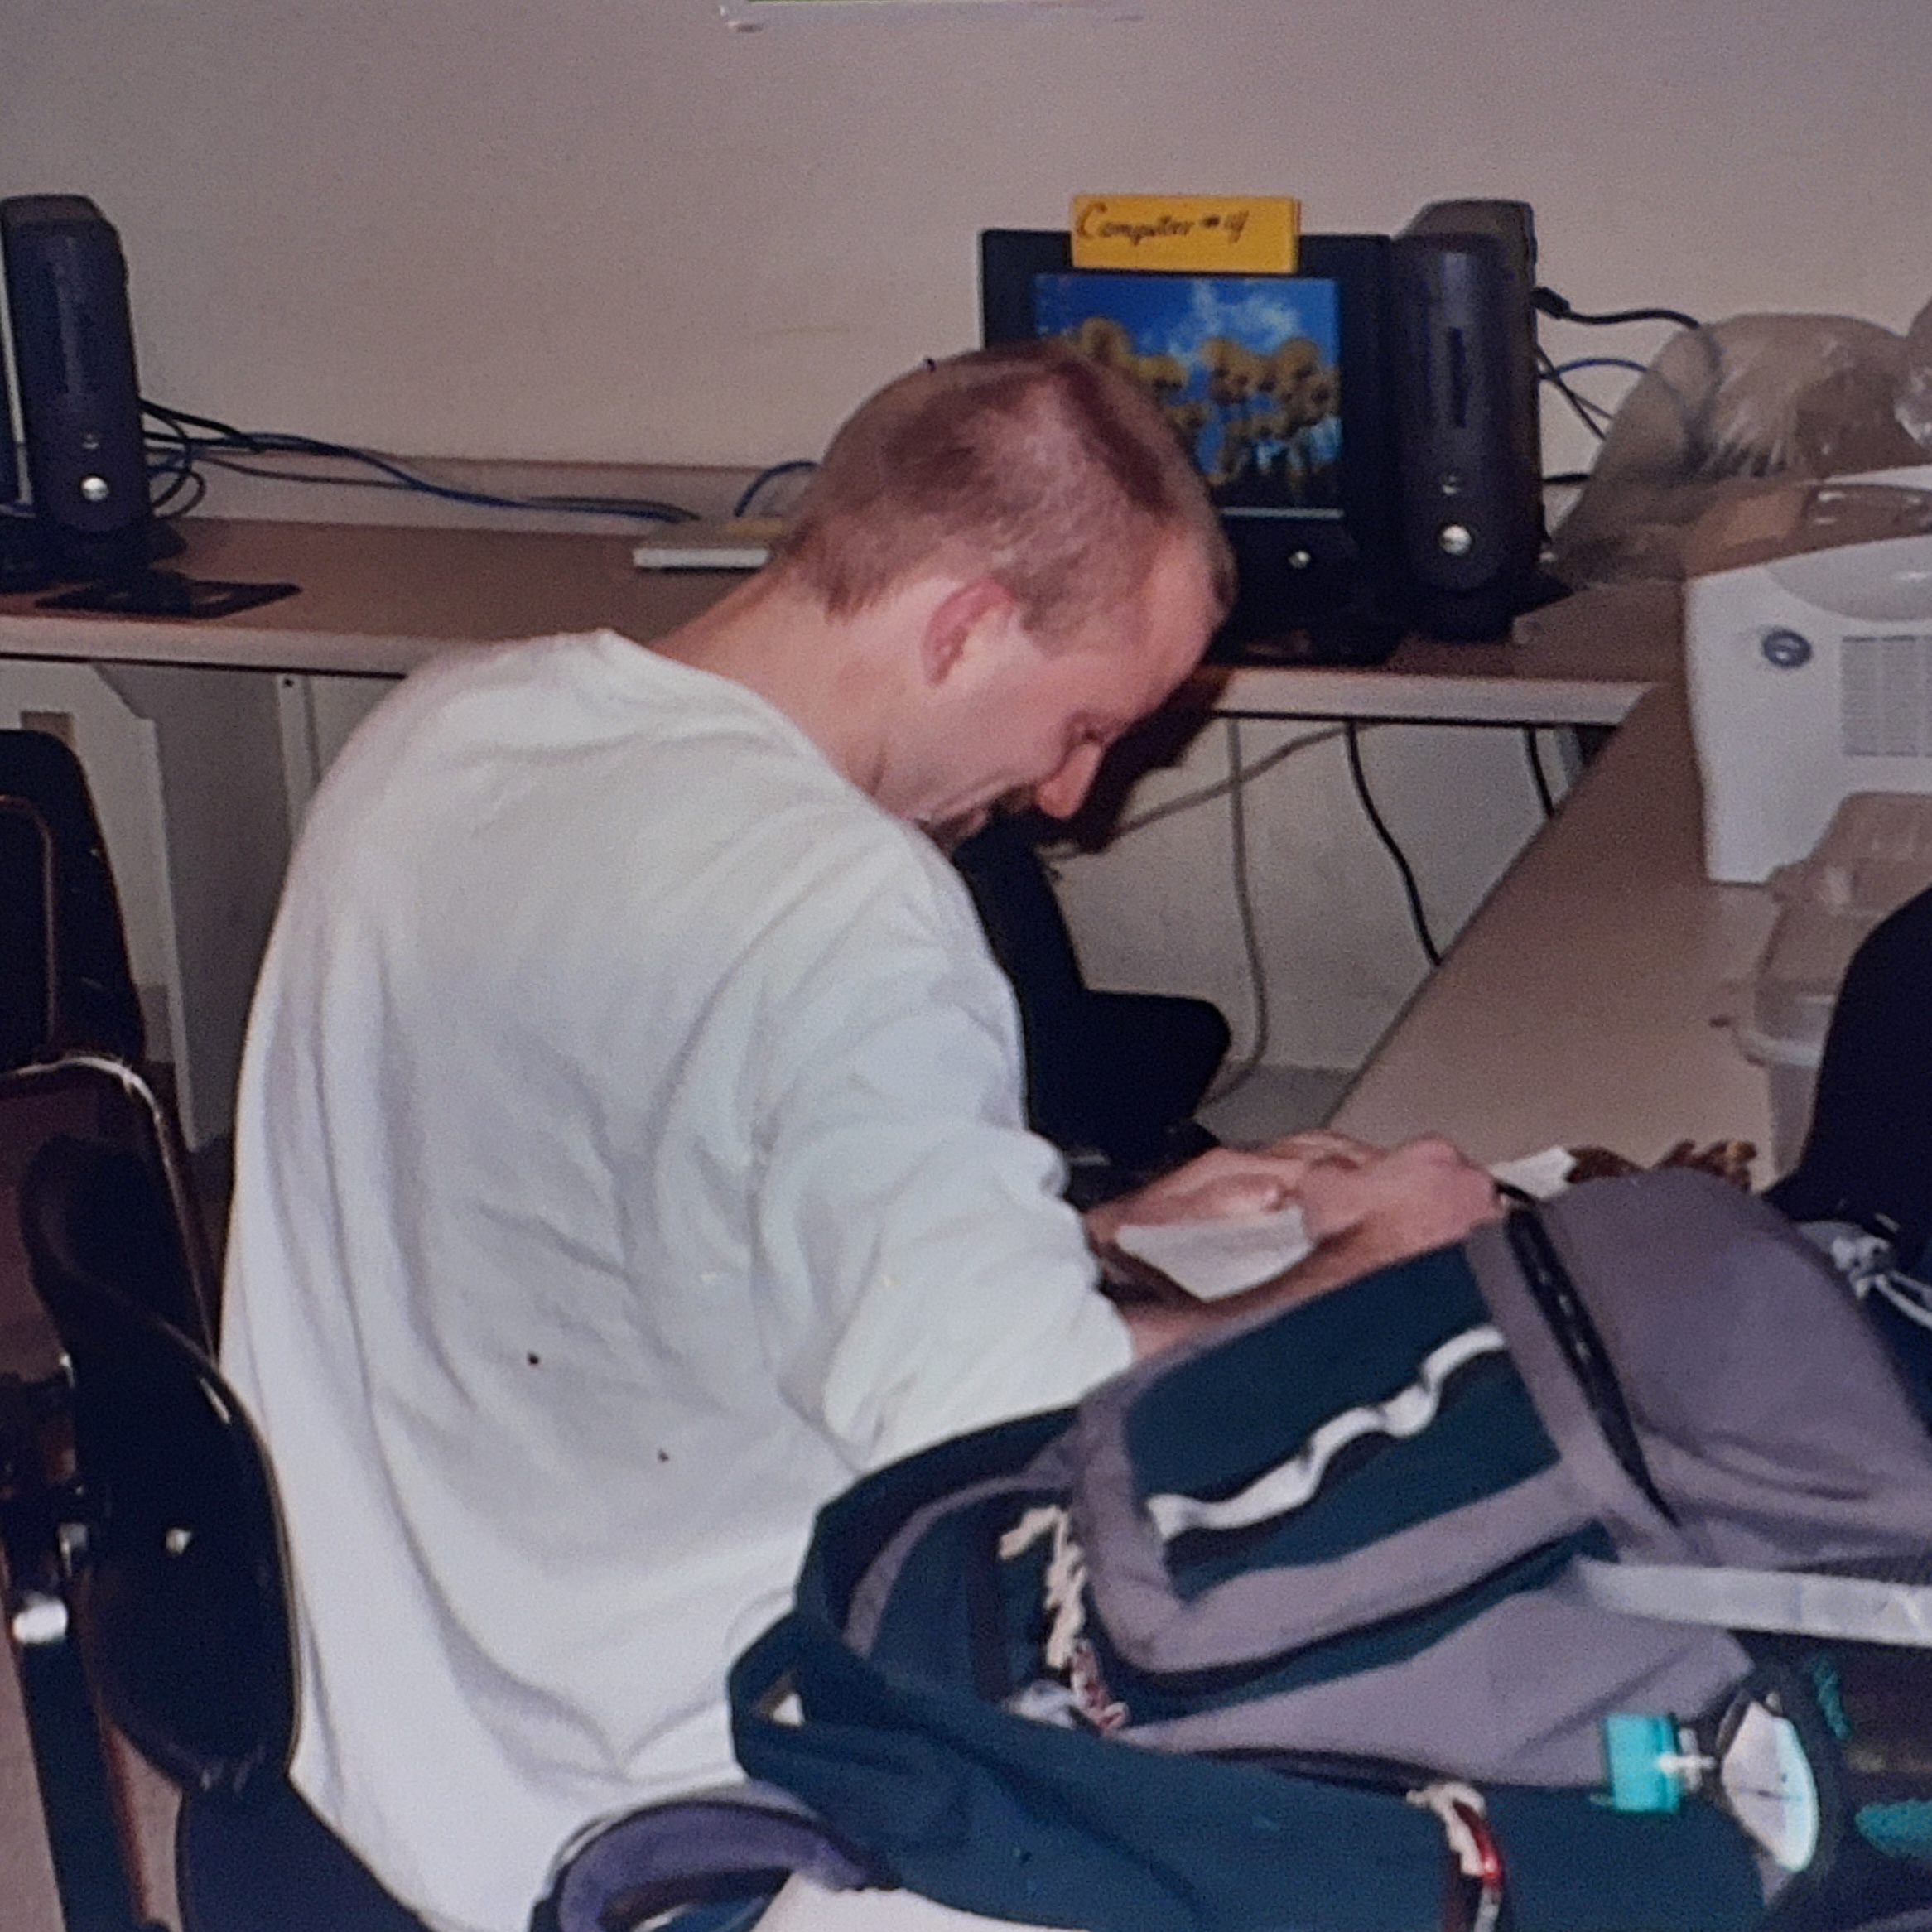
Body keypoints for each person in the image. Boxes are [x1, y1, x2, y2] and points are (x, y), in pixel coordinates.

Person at [219, 342, 1498, 1932]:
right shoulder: (846, 903)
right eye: (1084, 722)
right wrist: (1378, 1259)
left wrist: (1080, 1238)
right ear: (960, 623)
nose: (1072, 794)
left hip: (371, 1763)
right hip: (698, 1804)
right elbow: (1027, 1437)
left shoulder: (450, 722)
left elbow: (585, 1202)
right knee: (1439, 1708)